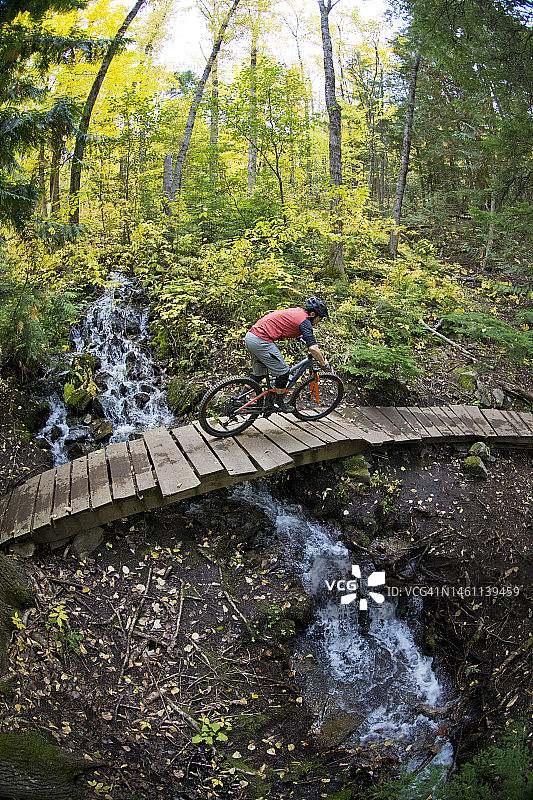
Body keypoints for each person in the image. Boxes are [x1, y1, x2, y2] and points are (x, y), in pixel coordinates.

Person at [244, 296, 331, 412]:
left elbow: (288, 324)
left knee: (259, 374)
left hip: (251, 336)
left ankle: (240, 399)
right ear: (313, 314)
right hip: (261, 340)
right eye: (320, 318)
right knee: (283, 372)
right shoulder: (305, 322)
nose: (319, 322)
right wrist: (323, 364)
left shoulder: (298, 312)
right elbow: (313, 348)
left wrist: (300, 337)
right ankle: (278, 403)